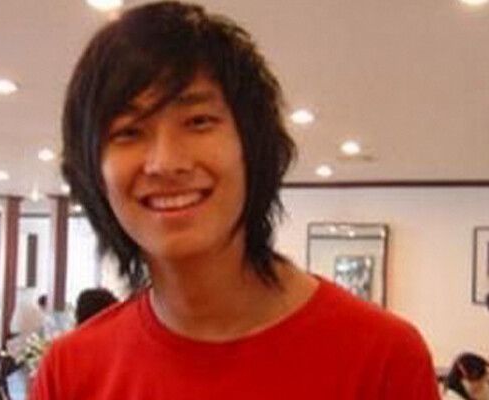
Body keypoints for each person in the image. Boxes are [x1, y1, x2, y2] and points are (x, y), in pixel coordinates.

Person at [31, 2, 440, 398]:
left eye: (199, 121)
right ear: (93, 172)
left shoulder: (381, 358)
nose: (166, 162)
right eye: (128, 131)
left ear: (252, 144)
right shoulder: (72, 373)